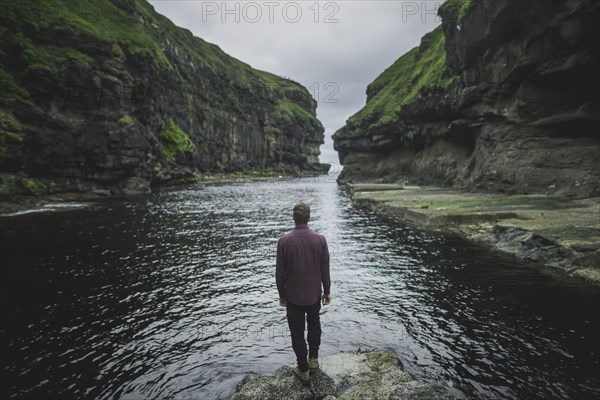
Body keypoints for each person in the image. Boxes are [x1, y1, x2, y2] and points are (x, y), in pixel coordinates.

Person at [276, 202, 331, 383]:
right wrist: (327, 291)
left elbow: (279, 273)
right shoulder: (320, 239)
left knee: (297, 332)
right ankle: (313, 360)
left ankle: (303, 368)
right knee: (314, 325)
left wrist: (282, 295)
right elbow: (325, 269)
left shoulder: (284, 241)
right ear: (309, 217)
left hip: (293, 297)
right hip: (314, 294)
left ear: (293, 218)